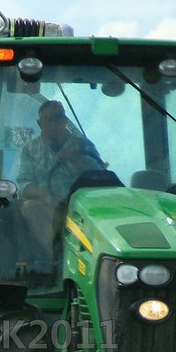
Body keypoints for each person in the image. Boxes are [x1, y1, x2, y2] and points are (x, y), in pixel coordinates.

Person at [15, 101, 104, 266]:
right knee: (29, 207)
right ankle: (57, 258)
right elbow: (22, 184)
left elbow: (101, 176)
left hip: (83, 207)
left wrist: (76, 159)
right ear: (40, 124)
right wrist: (43, 193)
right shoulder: (30, 149)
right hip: (50, 207)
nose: (56, 122)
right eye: (50, 119)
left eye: (60, 117)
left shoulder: (82, 144)